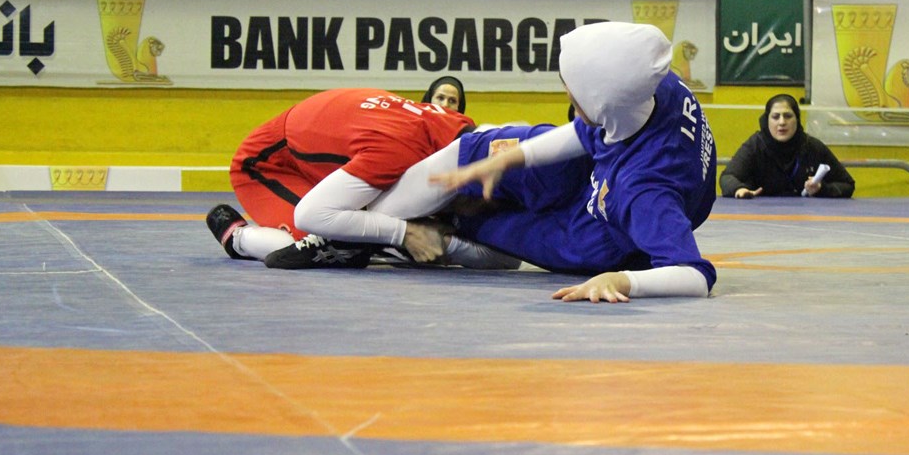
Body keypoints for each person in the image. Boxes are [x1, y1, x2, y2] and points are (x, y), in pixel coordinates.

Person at [427, 21, 718, 302]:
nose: (567, 93)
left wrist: (621, 280)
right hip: (607, 183)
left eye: (574, 93)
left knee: (493, 228)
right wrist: (505, 160)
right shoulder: (655, 82)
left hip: (594, 240)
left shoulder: (644, 193)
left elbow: (694, 276)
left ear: (603, 106)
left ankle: (441, 227)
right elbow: (584, 129)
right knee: (506, 190)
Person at [205, 86, 478, 269]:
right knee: (325, 245)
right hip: (265, 165)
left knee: (361, 231)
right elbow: (312, 215)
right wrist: (405, 233)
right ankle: (237, 238)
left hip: (314, 151)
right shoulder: (394, 151)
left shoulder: (453, 122)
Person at [719, 94, 855, 199]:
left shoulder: (813, 147)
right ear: (767, 120)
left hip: (806, 219)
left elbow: (847, 184)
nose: (782, 122)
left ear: (797, 119)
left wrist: (822, 189)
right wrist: (739, 189)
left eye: (788, 116)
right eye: (775, 117)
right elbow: (727, 177)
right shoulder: (755, 145)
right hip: (760, 217)